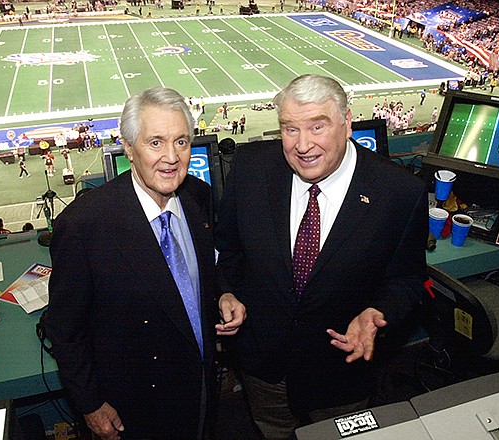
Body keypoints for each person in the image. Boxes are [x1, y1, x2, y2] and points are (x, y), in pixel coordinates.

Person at [216, 74, 428, 439]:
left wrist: (377, 312)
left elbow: (407, 280)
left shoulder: (399, 192)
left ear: (347, 123)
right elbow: (227, 251)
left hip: (341, 371)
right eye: (290, 129)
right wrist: (226, 292)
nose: (302, 144)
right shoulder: (250, 169)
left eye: (318, 126)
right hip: (263, 365)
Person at [46, 87, 246, 440]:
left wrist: (223, 295)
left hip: (200, 385)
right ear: (128, 146)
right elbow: (65, 328)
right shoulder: (84, 225)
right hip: (133, 406)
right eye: (156, 142)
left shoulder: (198, 196)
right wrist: (91, 405)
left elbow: (200, 273)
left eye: (181, 142)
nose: (171, 157)